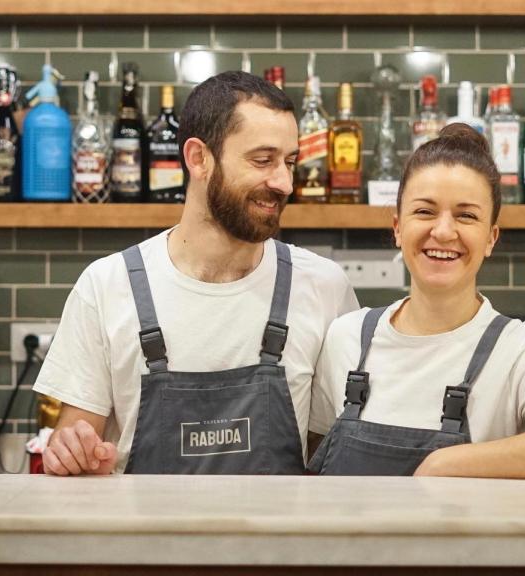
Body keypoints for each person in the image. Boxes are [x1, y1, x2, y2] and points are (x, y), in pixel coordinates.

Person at [34, 71, 358, 476]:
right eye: (263, 160)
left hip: (278, 539)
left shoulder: (324, 287)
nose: (284, 183)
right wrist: (73, 456)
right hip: (144, 537)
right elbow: (74, 452)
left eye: (289, 162)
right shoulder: (107, 287)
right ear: (198, 158)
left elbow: (333, 460)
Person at [307, 123, 525, 479]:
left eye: (466, 215)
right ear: (398, 227)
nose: (443, 231)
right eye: (425, 212)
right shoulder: (346, 337)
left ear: (491, 238)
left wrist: (443, 463)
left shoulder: (521, 349)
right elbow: (315, 457)